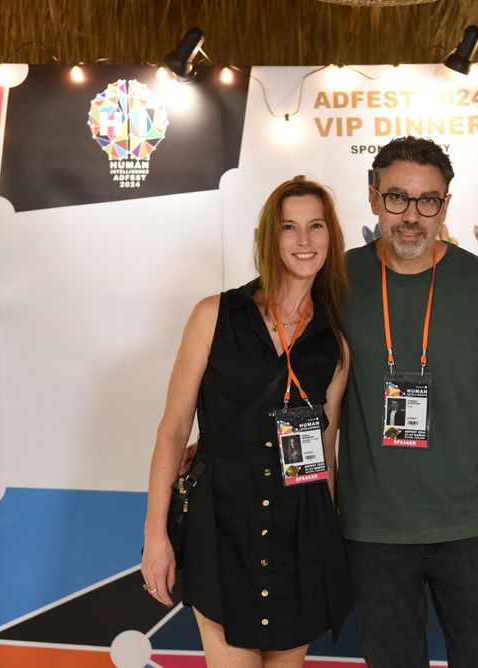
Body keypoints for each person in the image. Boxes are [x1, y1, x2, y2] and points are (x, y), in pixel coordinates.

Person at [339, 136, 478, 666]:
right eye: (397, 198)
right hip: (371, 527)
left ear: (445, 205)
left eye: (427, 200)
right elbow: (281, 365)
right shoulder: (337, 279)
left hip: (469, 526)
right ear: (373, 198)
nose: (412, 215)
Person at [140, 176, 350, 667]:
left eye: (316, 226)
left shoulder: (335, 343)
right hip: (222, 523)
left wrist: (330, 544)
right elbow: (173, 430)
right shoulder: (214, 315)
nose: (303, 240)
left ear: (330, 237)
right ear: (270, 237)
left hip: (300, 529)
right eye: (289, 227)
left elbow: (325, 452)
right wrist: (155, 536)